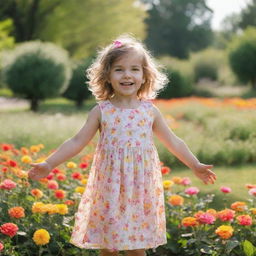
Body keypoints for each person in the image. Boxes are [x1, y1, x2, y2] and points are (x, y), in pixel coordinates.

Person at [28, 34, 217, 256]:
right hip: (110, 188)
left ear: (145, 75)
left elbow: (174, 141)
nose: (127, 75)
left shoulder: (150, 112)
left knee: (137, 248)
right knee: (109, 247)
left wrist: (194, 164)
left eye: (135, 69)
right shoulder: (101, 111)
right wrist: (49, 163)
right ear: (107, 75)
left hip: (140, 188)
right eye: (119, 69)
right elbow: (77, 141)